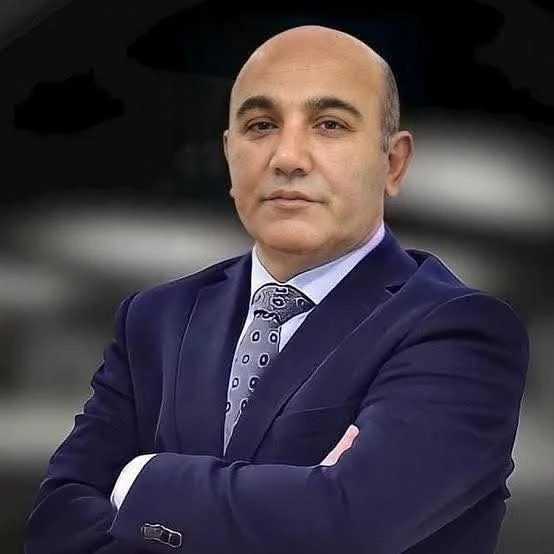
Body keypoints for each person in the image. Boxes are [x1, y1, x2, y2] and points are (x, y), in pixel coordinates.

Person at [24, 24, 529, 554]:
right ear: (229, 154)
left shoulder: (461, 332)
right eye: (261, 125)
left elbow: (349, 525)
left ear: (393, 162)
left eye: (330, 125)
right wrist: (291, 501)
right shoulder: (154, 318)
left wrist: (139, 480)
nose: (287, 157)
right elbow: (57, 522)